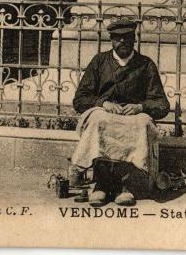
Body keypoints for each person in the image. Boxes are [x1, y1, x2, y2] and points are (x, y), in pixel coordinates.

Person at [70, 18, 170, 207]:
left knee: (142, 123)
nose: (122, 42)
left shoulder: (145, 64)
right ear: (111, 40)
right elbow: (80, 98)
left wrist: (141, 106)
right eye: (118, 38)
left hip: (133, 115)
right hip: (105, 112)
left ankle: (126, 186)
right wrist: (103, 103)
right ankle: (101, 184)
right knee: (98, 119)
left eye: (127, 37)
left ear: (134, 39)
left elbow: (162, 104)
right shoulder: (100, 61)